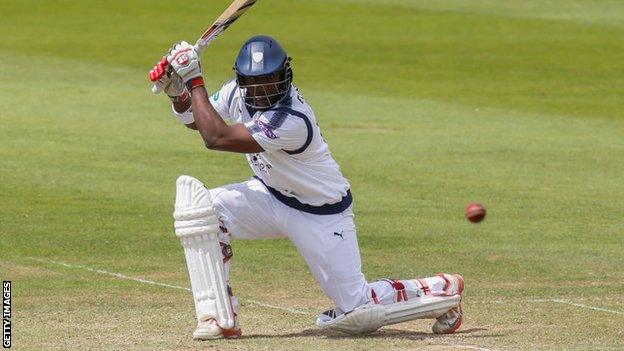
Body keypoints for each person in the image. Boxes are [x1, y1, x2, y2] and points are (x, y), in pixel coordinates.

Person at [149, 35, 465, 340]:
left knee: (356, 310)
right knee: (202, 210)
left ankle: (441, 288)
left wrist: (195, 78)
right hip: (270, 197)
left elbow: (216, 137)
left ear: (284, 77)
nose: (261, 93)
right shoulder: (237, 92)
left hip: (321, 213)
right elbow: (200, 119)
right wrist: (179, 94)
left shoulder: (291, 119)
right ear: (243, 82)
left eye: (269, 83)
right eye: (254, 84)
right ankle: (219, 317)